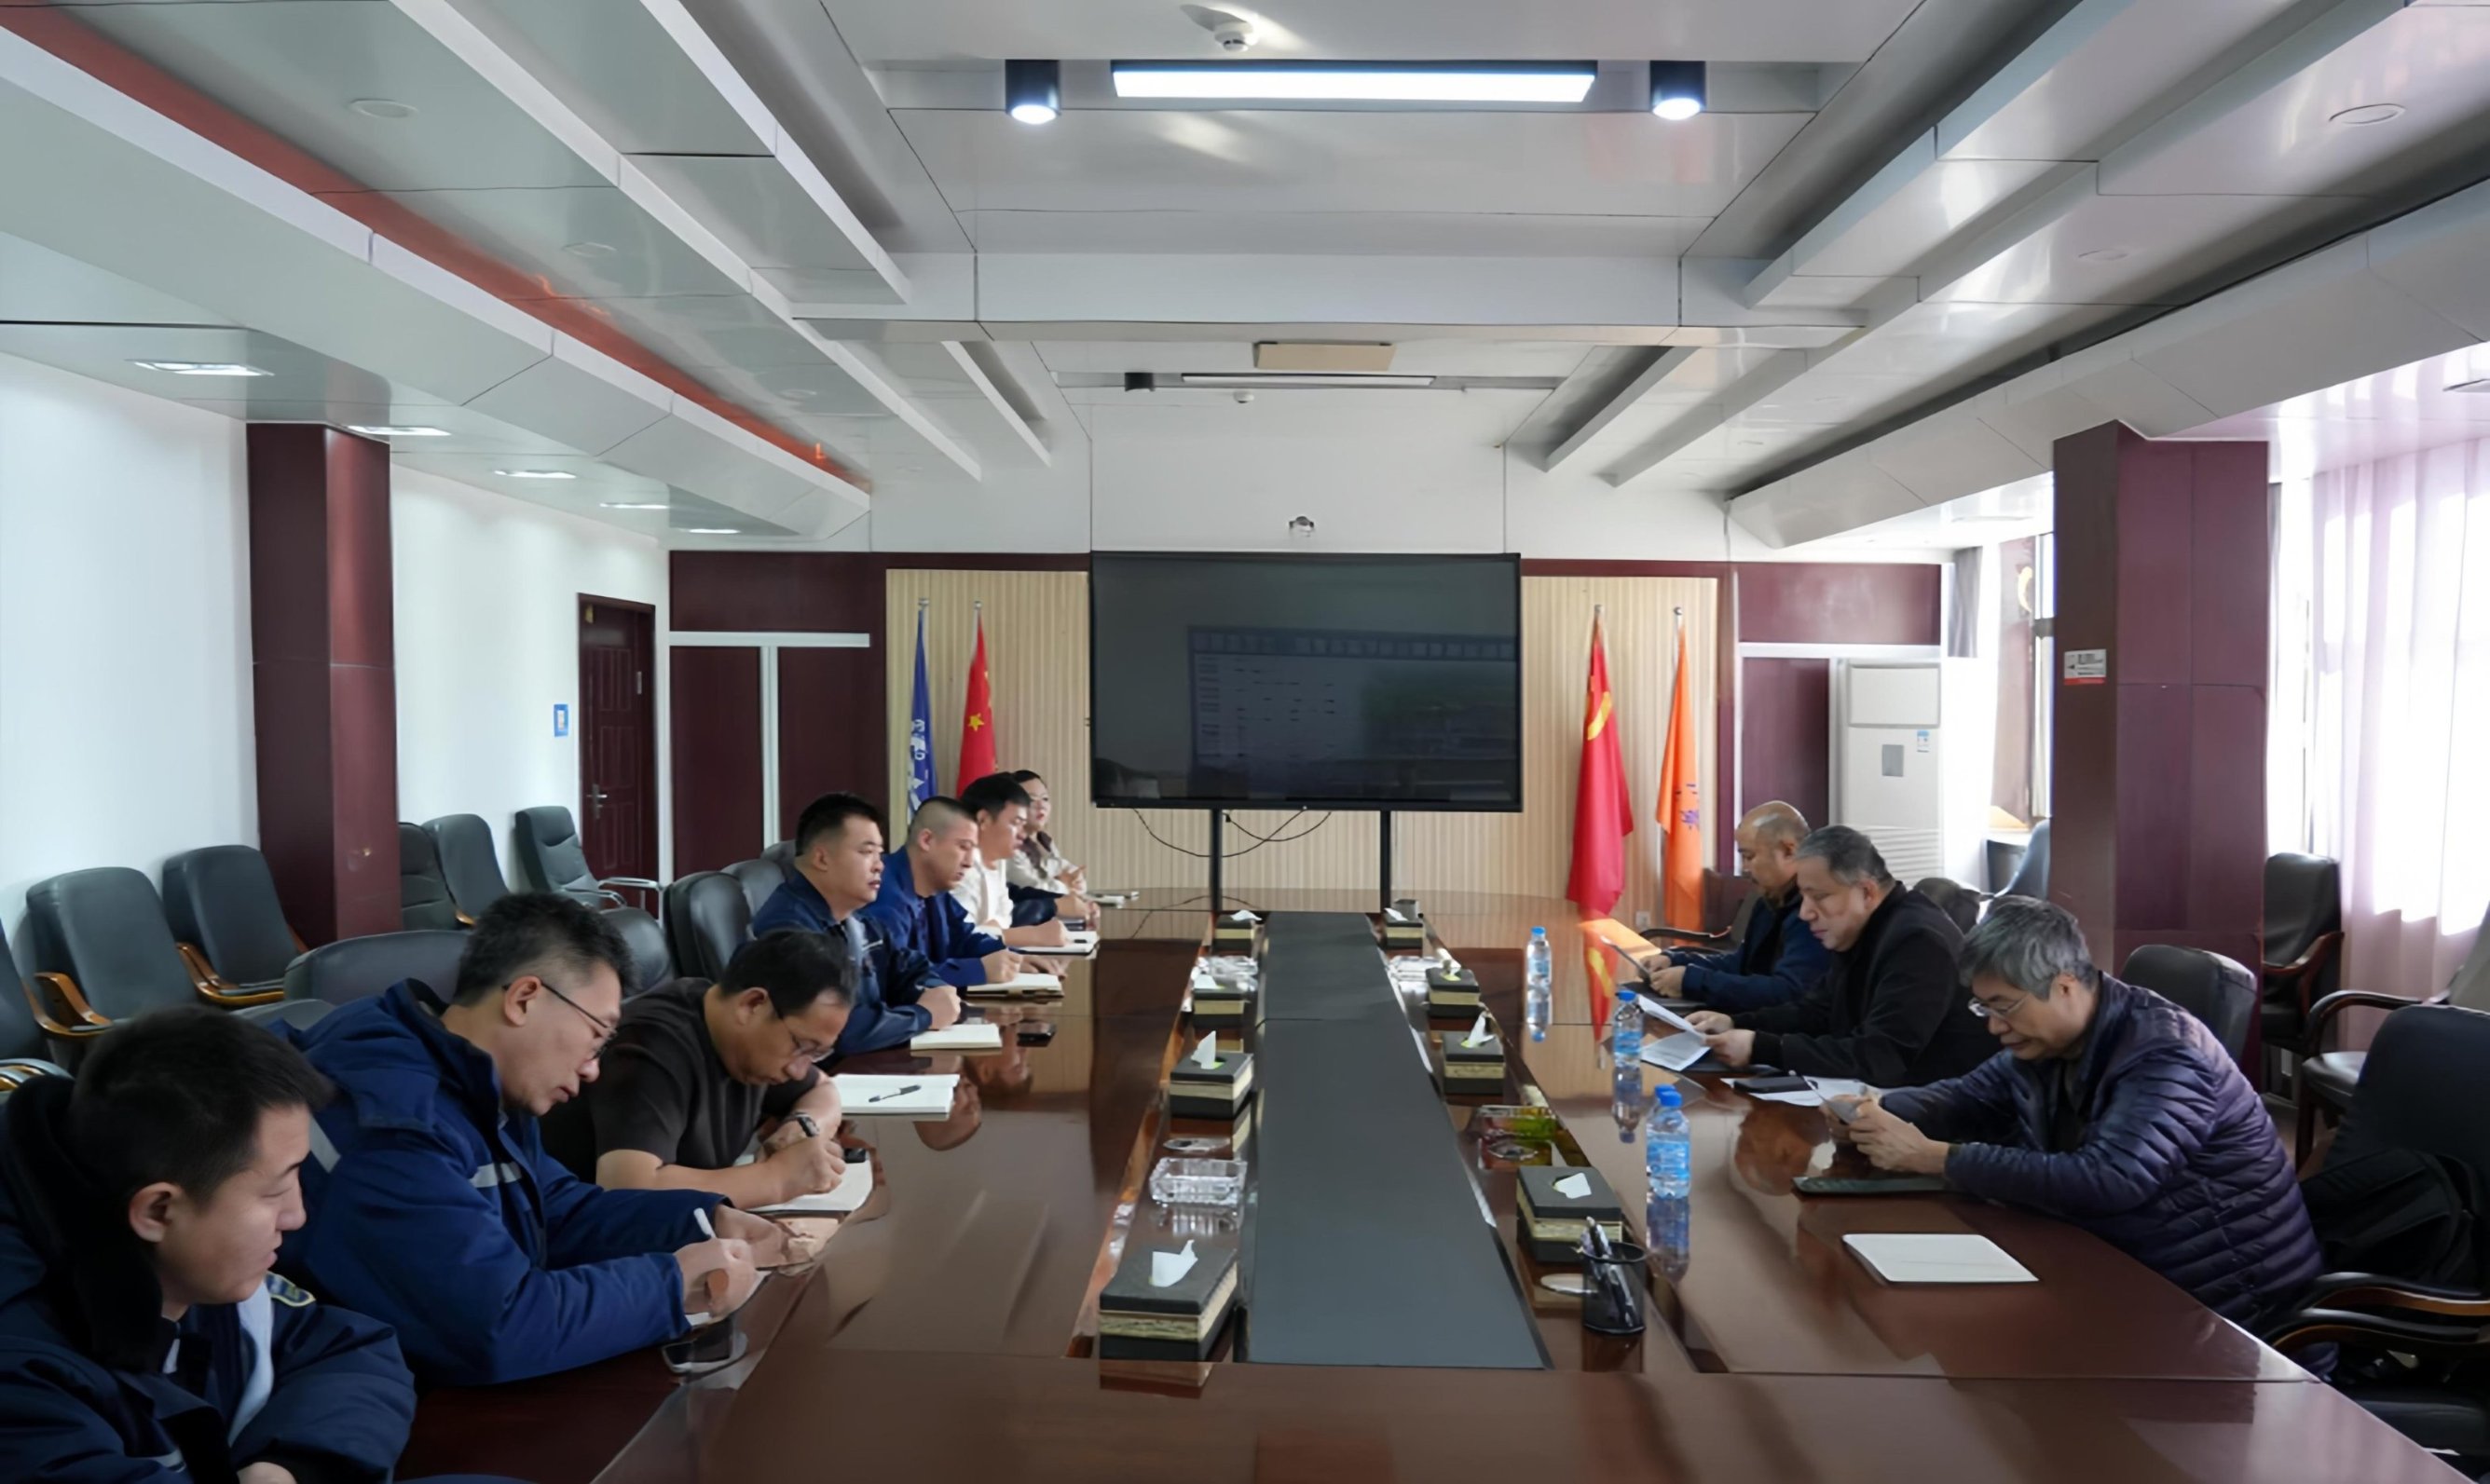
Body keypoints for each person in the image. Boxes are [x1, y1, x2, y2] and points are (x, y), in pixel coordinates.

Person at [281, 893, 784, 1386]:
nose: (592, 1070)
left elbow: (555, 1212)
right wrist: (672, 1285)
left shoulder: (477, 1083)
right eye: (597, 1037)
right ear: (524, 999)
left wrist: (701, 1220)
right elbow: (496, 1327)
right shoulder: (390, 1120)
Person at [1843, 898, 2323, 1327]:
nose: (1994, 1026)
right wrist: (1872, 1111)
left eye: (2004, 1006)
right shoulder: (2049, 1043)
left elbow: (2112, 1178)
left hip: (2225, 1311)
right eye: (1983, 1008)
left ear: (2065, 986)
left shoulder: (2167, 1053)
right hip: (2120, 1269)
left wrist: (1937, 1158)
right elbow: (1965, 1098)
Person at [0, 1009, 415, 1484]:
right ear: (159, 1211)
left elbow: (349, 1348)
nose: (296, 1215)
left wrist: (290, 1465)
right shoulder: (21, 1385)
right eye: (275, 1190)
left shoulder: (188, 1269)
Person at [544, 932, 852, 1209]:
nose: (798, 1071)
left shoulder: (748, 1042)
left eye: (816, 1054)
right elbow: (629, 1189)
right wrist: (778, 1178)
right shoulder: (649, 1047)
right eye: (801, 1046)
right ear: (753, 1004)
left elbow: (822, 1089)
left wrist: (803, 1126)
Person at [1690, 825, 1989, 1086]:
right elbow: (1817, 1011)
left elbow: (1882, 1057)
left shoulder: (1918, 941)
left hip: (1931, 1113)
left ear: (1867, 892)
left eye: (1819, 897)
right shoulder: (1862, 927)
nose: (1805, 913)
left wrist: (1763, 1048)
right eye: (1804, 897)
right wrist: (1737, 1023)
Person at [753, 791, 968, 1055]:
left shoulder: (856, 919)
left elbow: (908, 968)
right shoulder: (790, 930)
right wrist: (924, 1016)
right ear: (821, 859)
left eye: (880, 854)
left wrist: (938, 991)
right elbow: (834, 1031)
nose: (879, 866)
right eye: (867, 852)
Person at [1641, 800, 1829, 1013]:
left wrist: (1694, 981)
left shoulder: (1813, 911)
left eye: (1749, 857)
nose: (1744, 868)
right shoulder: (1770, 900)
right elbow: (1742, 964)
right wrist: (1676, 961)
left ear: (1788, 851)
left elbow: (1789, 993)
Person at [864, 796, 1024, 990]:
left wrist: (1011, 957)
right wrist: (978, 969)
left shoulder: (936, 887)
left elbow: (964, 939)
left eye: (973, 850)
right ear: (926, 840)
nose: (969, 862)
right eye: (963, 847)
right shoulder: (883, 893)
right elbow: (895, 977)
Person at [951, 773, 1080, 946]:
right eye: (1016, 823)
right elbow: (960, 939)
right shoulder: (961, 868)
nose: (1022, 834)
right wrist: (1033, 935)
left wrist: (996, 931)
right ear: (984, 820)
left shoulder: (997, 862)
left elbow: (1005, 919)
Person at [1005, 769, 1095, 919]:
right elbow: (1034, 888)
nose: (1041, 806)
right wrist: (1064, 886)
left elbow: (1065, 869)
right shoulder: (1007, 846)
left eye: (1045, 798)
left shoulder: (1043, 841)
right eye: (1031, 800)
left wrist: (1076, 883)